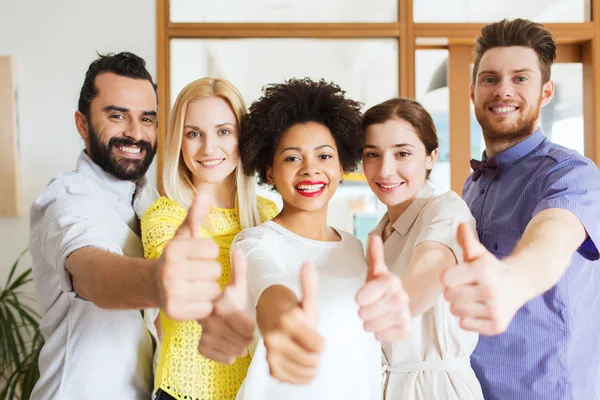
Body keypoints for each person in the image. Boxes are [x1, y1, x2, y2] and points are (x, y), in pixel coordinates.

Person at [29, 52, 222, 399]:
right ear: (82, 123)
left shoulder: (149, 205)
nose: (135, 133)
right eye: (117, 116)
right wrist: (158, 281)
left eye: (147, 119)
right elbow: (91, 269)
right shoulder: (66, 199)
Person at [441, 19, 600, 400]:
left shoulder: (571, 173)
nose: (503, 91)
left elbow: (552, 237)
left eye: (520, 78)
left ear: (546, 92)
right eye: (490, 78)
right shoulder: (472, 184)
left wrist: (512, 280)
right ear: (473, 91)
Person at [231, 78, 411, 400]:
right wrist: (284, 317)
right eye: (292, 158)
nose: (310, 170)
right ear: (270, 172)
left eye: (324, 156)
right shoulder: (254, 243)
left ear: (342, 166)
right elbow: (269, 288)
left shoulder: (357, 248)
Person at [140, 77, 279, 400]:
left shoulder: (268, 213)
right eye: (193, 134)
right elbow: (171, 281)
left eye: (223, 131)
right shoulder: (164, 217)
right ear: (179, 141)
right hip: (183, 392)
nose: (208, 148)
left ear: (241, 137)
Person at [361, 97, 483, 400]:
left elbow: (432, 261)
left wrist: (401, 301)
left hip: (436, 389)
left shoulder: (446, 210)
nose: (386, 170)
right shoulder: (378, 233)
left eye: (402, 153)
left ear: (431, 157)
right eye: (372, 154)